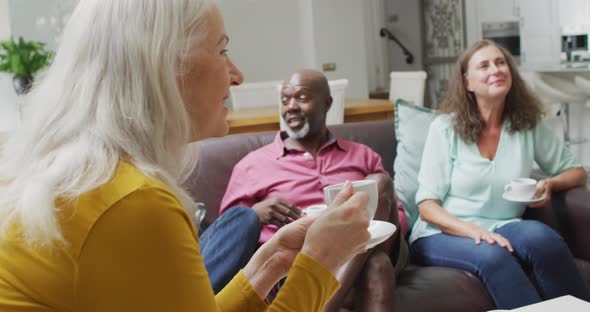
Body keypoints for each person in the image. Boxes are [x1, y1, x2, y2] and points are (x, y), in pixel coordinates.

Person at [0, 1, 375, 311]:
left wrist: (269, 264)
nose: (237, 75)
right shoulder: (134, 203)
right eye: (222, 50)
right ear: (164, 65)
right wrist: (322, 261)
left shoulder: (92, 177)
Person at [200, 68, 406, 311]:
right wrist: (258, 211)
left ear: (327, 103)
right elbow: (230, 231)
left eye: (302, 98)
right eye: (285, 100)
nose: (291, 107)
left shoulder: (363, 155)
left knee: (381, 184)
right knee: (378, 266)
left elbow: (399, 218)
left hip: (363, 247)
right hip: (298, 262)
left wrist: (358, 228)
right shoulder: (254, 164)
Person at [411, 39, 590, 310]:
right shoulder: (445, 128)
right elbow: (427, 207)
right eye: (483, 65)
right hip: (439, 233)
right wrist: (473, 231)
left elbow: (576, 172)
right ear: (468, 82)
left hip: (502, 224)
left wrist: (550, 184)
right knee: (494, 256)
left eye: (500, 62)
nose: (496, 69)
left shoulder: (527, 125)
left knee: (545, 239)